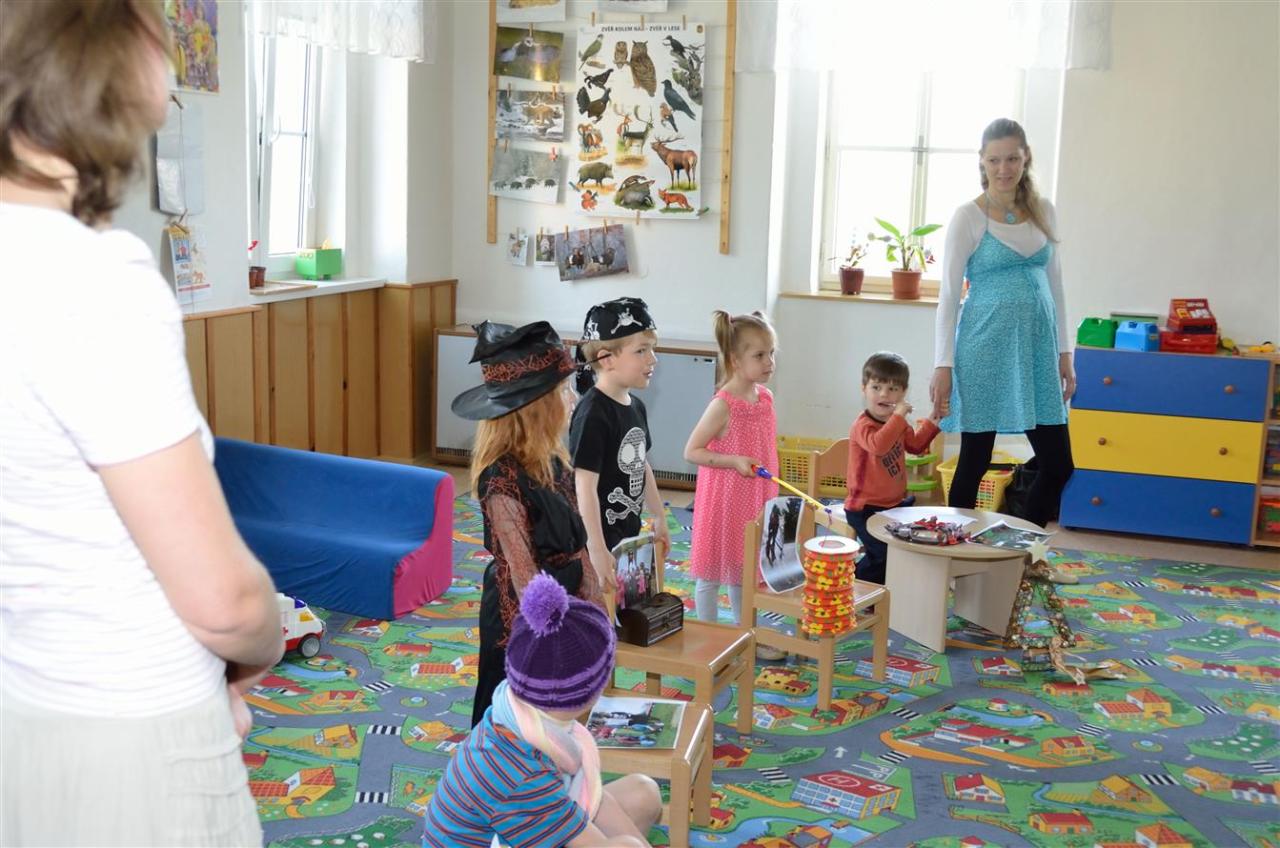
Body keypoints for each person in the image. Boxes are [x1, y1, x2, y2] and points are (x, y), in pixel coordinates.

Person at [0, 3, 282, 844]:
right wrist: (262, 642)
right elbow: (224, 601)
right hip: (137, 733)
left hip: (29, 714)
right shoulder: (87, 280)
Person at [423, 573, 662, 848]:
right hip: (511, 823)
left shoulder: (527, 712)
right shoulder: (520, 770)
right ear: (590, 693)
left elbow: (592, 796)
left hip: (527, 822)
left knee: (643, 793)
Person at [452, 321, 605, 727]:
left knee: (564, 714)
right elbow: (525, 579)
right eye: (563, 391)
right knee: (521, 716)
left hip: (567, 595)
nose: (573, 399)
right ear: (537, 406)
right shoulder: (501, 480)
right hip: (526, 615)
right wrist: (564, 639)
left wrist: (596, 610)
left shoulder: (553, 461)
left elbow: (577, 546)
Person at [930, 117, 1075, 529]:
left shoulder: (1044, 212)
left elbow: (1057, 286)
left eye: (1012, 158)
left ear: (1026, 157)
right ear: (982, 161)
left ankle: (1022, 545)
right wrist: (943, 365)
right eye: (994, 160)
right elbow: (948, 296)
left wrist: (1065, 352)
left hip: (1037, 351)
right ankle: (957, 546)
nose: (1003, 168)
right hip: (984, 348)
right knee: (974, 460)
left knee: (1058, 464)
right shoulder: (969, 217)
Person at [683, 310, 780, 625]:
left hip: (755, 498)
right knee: (710, 575)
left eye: (771, 353)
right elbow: (691, 451)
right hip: (723, 502)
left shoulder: (765, 399)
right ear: (735, 360)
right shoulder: (722, 405)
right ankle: (709, 636)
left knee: (743, 568)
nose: (769, 362)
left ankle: (742, 633)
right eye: (760, 355)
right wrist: (733, 461)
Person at [569, 298, 671, 596]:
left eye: (652, 349)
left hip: (626, 532)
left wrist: (659, 515)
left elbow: (641, 464)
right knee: (598, 606)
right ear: (606, 359)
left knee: (625, 607)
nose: (653, 359)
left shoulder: (635, 406)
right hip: (597, 538)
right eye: (641, 351)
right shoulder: (593, 413)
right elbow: (584, 486)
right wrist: (596, 548)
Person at [844, 352, 941, 585]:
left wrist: (933, 420)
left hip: (893, 505)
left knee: (907, 548)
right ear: (864, 389)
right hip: (864, 508)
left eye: (892, 389)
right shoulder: (863, 425)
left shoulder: (898, 423)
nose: (883, 394)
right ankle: (855, 585)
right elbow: (878, 446)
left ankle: (889, 588)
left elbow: (915, 446)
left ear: (903, 393)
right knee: (883, 554)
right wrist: (898, 417)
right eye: (876, 387)